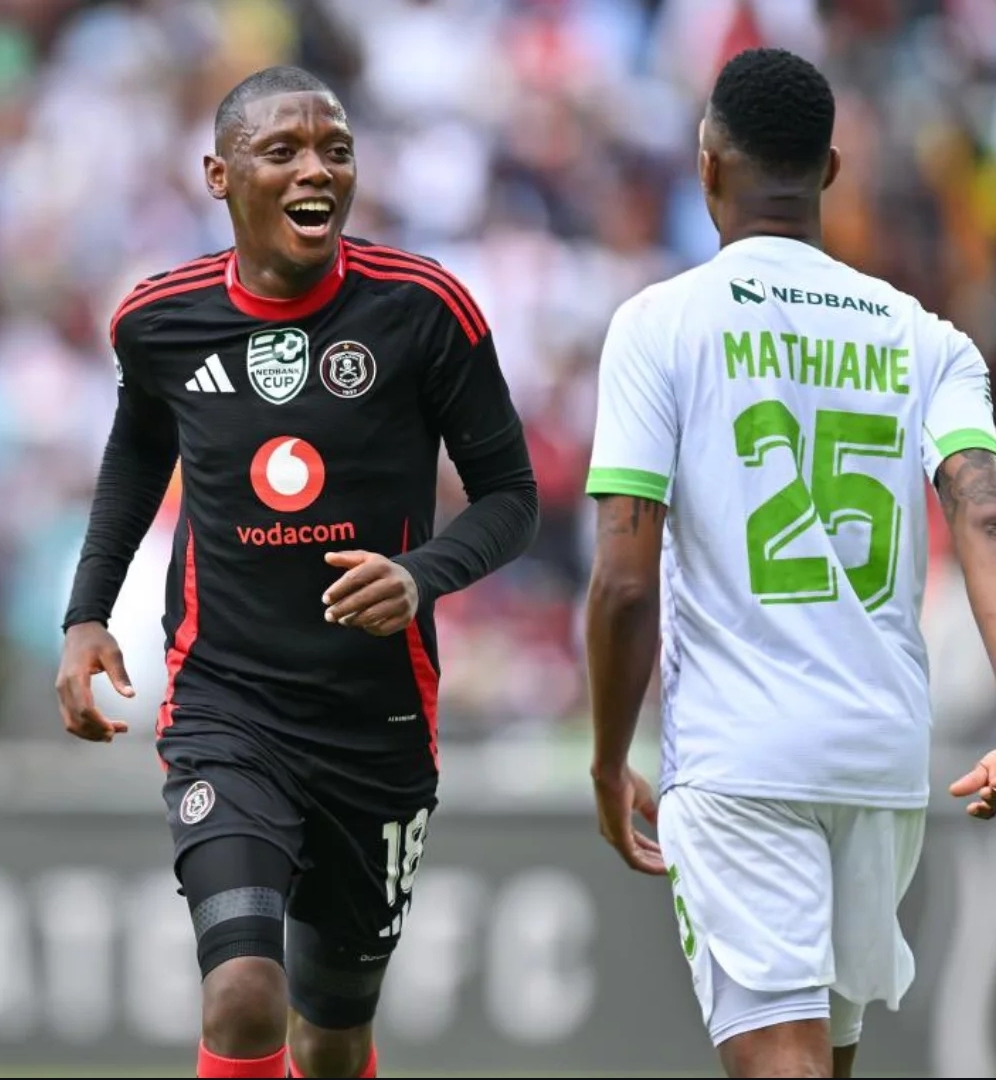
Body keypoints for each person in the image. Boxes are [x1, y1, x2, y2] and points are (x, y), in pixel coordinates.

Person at [55, 65, 538, 1079]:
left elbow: (511, 496)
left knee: (332, 1039)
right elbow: (137, 453)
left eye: (336, 150)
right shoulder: (160, 322)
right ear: (219, 176)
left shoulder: (424, 309)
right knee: (242, 993)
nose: (316, 169)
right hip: (228, 706)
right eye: (282, 151)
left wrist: (421, 575)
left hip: (377, 722)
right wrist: (86, 612)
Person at [583, 46, 996, 1080]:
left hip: (744, 752)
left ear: (707, 164)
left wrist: (606, 755)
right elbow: (984, 515)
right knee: (823, 1059)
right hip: (881, 757)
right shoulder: (927, 338)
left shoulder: (659, 324)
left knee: (782, 1061)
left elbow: (625, 581)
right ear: (832, 171)